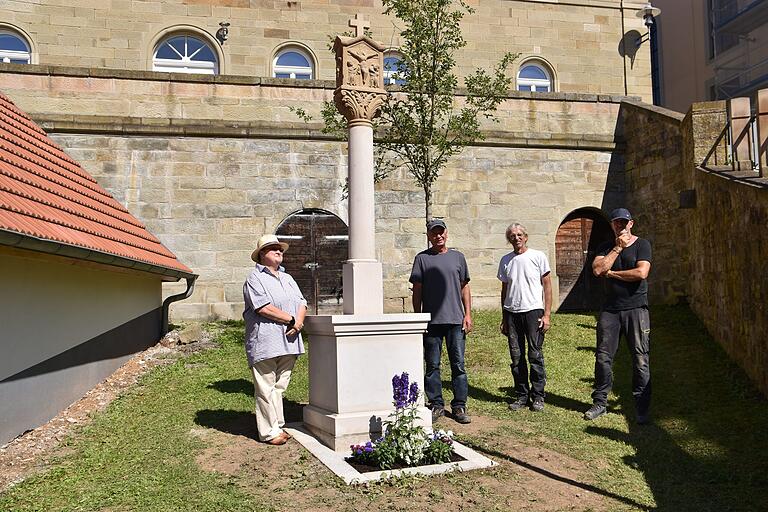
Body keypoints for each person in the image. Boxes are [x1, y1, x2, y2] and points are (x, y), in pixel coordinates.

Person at [583, 208, 652, 424]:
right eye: (616, 223)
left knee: (640, 359)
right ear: (613, 225)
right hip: (610, 310)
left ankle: (641, 408)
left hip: (636, 309)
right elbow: (597, 270)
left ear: (631, 223)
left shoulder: (642, 245)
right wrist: (617, 249)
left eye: (624, 222)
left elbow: (641, 273)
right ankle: (600, 403)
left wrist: (612, 274)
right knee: (603, 358)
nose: (620, 226)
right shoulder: (606, 247)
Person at [243, 234, 308, 445]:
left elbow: (302, 302)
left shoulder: (287, 278)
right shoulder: (255, 278)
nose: (279, 251)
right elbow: (263, 308)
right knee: (265, 387)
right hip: (266, 341)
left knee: (280, 386)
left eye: (280, 249)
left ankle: (278, 424)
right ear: (262, 254)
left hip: (289, 341)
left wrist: (298, 322)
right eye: (273, 249)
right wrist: (291, 320)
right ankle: (269, 432)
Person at [409, 219, 473, 424]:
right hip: (431, 322)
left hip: (455, 321)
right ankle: (436, 404)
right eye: (434, 233)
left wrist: (468, 314)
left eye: (441, 232)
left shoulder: (458, 258)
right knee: (432, 366)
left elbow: (465, 287)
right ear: (428, 236)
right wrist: (418, 317)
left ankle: (459, 406)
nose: (438, 236)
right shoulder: (422, 259)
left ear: (446, 233)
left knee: (458, 365)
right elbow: (417, 290)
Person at [497, 223, 552, 412]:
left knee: (535, 355)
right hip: (512, 314)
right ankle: (521, 395)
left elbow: (547, 286)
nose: (516, 238)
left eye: (520, 234)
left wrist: (546, 315)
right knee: (516, 357)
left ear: (526, 237)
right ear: (509, 239)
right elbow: (504, 290)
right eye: (512, 235)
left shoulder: (538, 256)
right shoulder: (505, 260)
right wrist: (504, 318)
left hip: (533, 311)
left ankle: (538, 397)